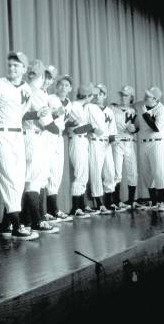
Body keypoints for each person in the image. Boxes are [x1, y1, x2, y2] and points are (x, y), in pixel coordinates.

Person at [0, 52, 39, 240]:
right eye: (10, 65)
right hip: (1, 132)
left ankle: (5, 224)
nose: (11, 68)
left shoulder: (27, 89)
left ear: (24, 69)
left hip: (18, 135)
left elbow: (21, 114)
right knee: (8, 176)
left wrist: (39, 114)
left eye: (16, 66)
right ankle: (18, 226)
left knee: (18, 180)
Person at [21, 60, 60, 234]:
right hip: (33, 137)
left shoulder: (23, 88)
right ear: (42, 75)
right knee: (33, 181)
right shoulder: (36, 92)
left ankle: (26, 221)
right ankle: (36, 221)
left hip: (26, 136)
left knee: (28, 180)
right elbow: (47, 123)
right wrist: (57, 127)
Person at [44, 74, 74, 222]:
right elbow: (43, 117)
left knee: (56, 172)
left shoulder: (69, 103)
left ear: (70, 88)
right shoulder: (50, 98)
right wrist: (55, 113)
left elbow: (65, 121)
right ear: (56, 86)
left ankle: (53, 209)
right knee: (44, 172)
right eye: (61, 84)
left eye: (66, 85)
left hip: (59, 137)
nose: (63, 87)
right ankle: (42, 211)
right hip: (47, 136)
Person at [84, 84, 118, 215]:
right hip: (95, 141)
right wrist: (92, 129)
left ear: (105, 95)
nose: (98, 96)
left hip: (107, 144)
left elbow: (112, 131)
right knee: (96, 171)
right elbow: (81, 125)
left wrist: (113, 142)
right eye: (96, 93)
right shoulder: (89, 107)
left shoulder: (109, 110)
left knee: (110, 171)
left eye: (101, 93)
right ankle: (99, 203)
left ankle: (109, 201)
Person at [136, 86, 164, 211]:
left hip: (157, 143)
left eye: (148, 96)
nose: (144, 98)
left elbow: (156, 128)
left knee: (158, 172)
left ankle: (163, 202)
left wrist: (145, 113)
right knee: (147, 174)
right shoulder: (140, 104)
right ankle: (154, 201)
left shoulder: (162, 109)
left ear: (155, 99)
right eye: (145, 95)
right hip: (144, 142)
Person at [66, 83, 94, 219]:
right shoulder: (75, 106)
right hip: (76, 140)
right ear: (88, 96)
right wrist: (92, 126)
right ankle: (75, 207)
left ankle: (81, 206)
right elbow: (76, 129)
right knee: (80, 173)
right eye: (91, 95)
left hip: (82, 140)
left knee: (84, 174)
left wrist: (88, 127)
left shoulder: (82, 107)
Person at [110, 85, 139, 209]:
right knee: (117, 173)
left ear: (131, 97)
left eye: (126, 95)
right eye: (122, 94)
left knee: (132, 172)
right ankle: (116, 201)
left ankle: (131, 201)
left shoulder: (134, 110)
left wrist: (135, 128)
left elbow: (138, 126)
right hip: (117, 142)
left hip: (129, 142)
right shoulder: (113, 108)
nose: (123, 97)